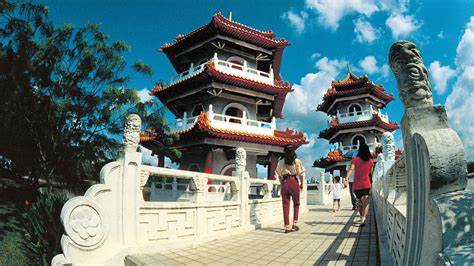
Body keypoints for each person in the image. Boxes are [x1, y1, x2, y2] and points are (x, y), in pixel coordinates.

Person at [275, 146, 305, 233]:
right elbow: (301, 174)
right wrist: (302, 184)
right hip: (293, 182)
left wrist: (282, 185)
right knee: (296, 204)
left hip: (285, 183)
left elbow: (279, 176)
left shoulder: (281, 161)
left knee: (285, 205)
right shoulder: (296, 161)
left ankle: (287, 226)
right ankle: (294, 224)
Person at [344, 143, 374, 226]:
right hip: (366, 184)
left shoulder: (355, 159)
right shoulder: (371, 161)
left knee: (360, 202)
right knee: (366, 202)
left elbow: (351, 169)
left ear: (359, 151)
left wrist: (346, 178)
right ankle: (363, 219)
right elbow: (370, 173)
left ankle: (361, 217)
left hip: (357, 184)